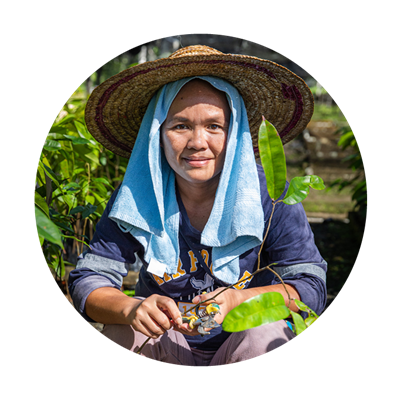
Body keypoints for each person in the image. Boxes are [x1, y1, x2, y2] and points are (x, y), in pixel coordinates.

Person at [68, 45, 327, 366]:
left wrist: (237, 300)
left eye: (214, 126)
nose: (197, 142)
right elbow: (90, 278)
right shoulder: (136, 196)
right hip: (163, 343)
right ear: (157, 134)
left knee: (266, 332)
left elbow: (309, 284)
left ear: (235, 134)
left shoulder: (272, 198)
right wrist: (130, 308)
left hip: (243, 342)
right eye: (180, 126)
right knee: (123, 332)